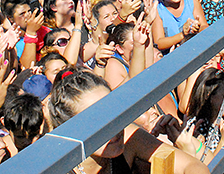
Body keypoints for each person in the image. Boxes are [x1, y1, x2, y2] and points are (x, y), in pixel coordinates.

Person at [46, 70, 209, 174]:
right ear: (70, 130)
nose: (113, 127)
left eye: (114, 112)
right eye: (96, 120)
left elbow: (193, 167)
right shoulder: (55, 168)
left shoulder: (129, 136)